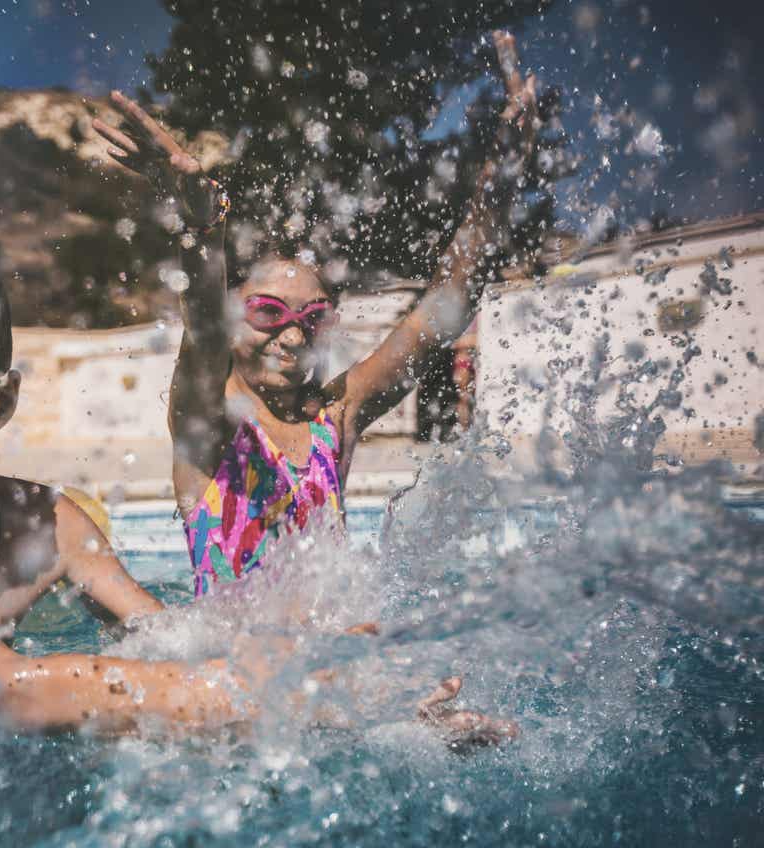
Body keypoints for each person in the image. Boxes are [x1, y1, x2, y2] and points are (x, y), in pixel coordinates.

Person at [0, 240, 515, 745]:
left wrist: (347, 690)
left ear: (0, 403)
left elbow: (172, 641)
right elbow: (13, 691)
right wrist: (288, 698)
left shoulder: (51, 523)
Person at [92, 31, 539, 595]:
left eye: (313, 317)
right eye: (267, 311)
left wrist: (502, 181)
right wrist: (206, 225)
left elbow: (444, 310)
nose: (291, 333)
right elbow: (203, 332)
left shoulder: (336, 416)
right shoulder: (207, 419)